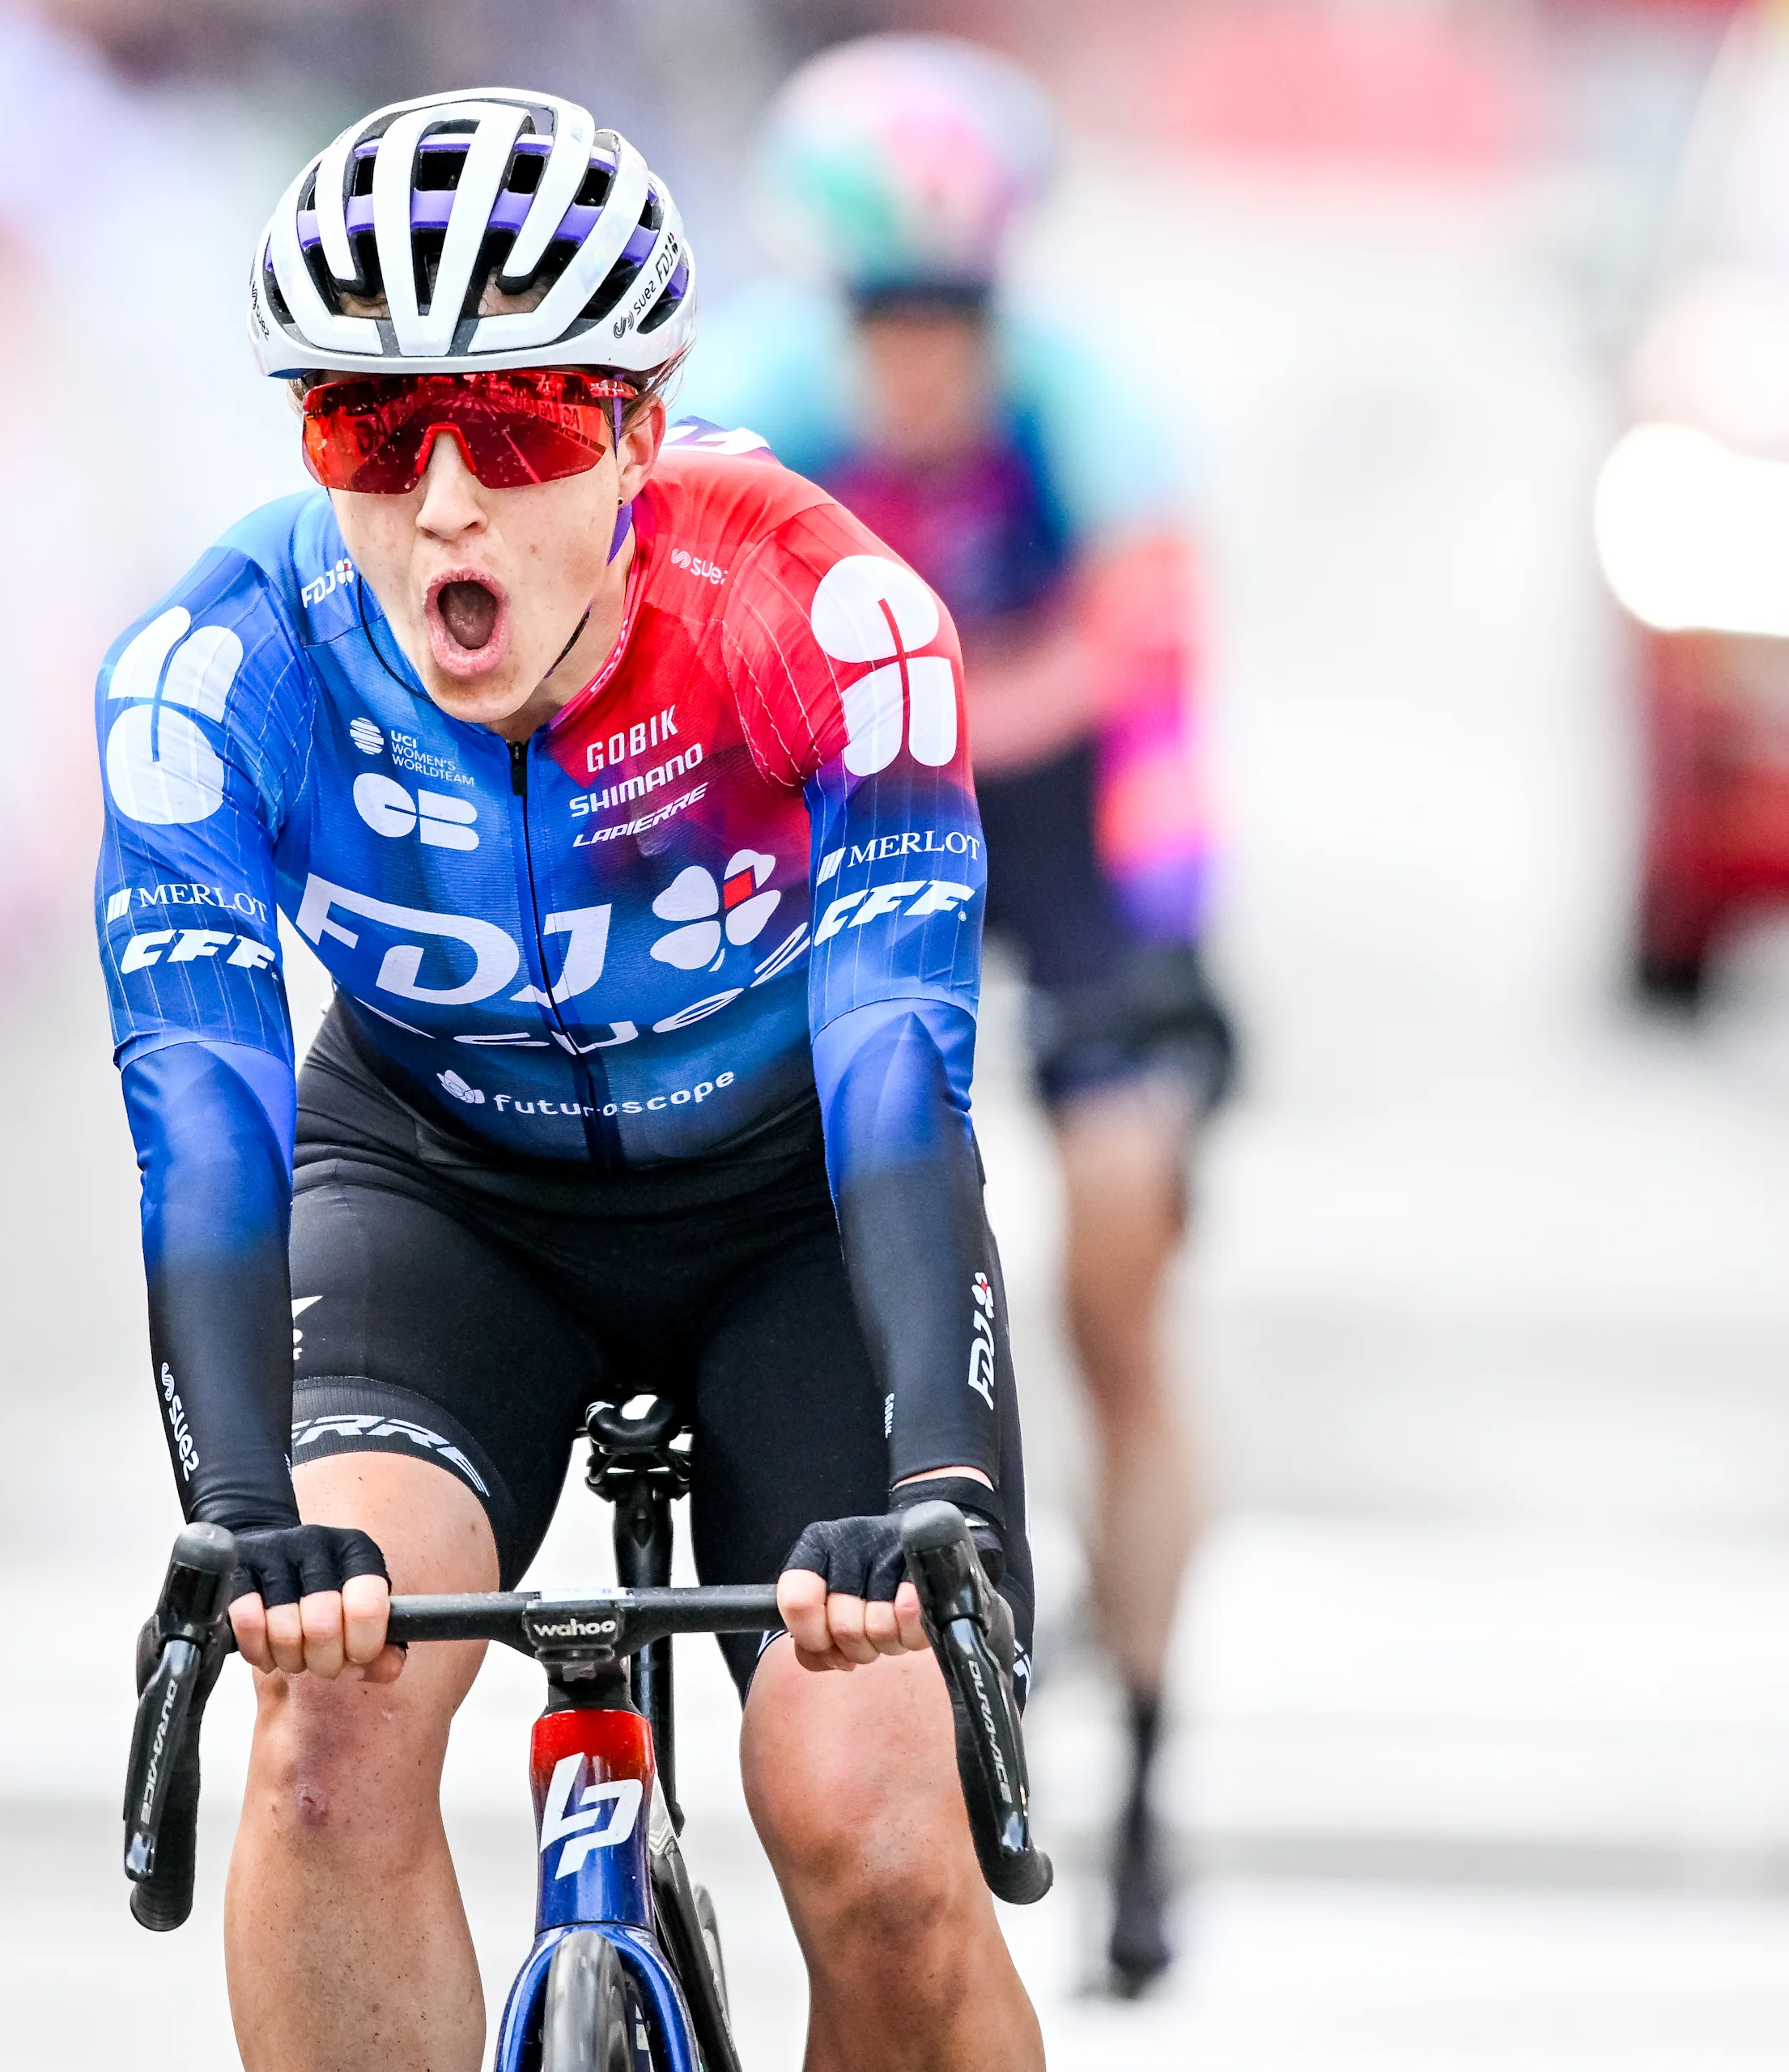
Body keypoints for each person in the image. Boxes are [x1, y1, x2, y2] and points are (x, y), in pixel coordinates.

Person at [98, 88, 1040, 2070]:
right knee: (328, 1741)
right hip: (442, 1200)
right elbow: (202, 1095)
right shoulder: (222, 663)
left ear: (631, 431)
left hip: (798, 1215)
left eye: (514, 429)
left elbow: (897, 1068)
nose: (442, 504)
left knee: (873, 1828)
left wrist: (938, 1476)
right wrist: (240, 1504)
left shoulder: (821, 616)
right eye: (370, 427)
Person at [678, 33, 1234, 1994]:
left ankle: (1150, 1767)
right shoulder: (743, 403)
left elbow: (1156, 693)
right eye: (884, 313)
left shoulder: (1086, 413)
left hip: (1058, 823)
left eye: (958, 313)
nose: (921, 355)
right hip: (837, 809)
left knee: (1116, 1272)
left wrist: (1171, 955)